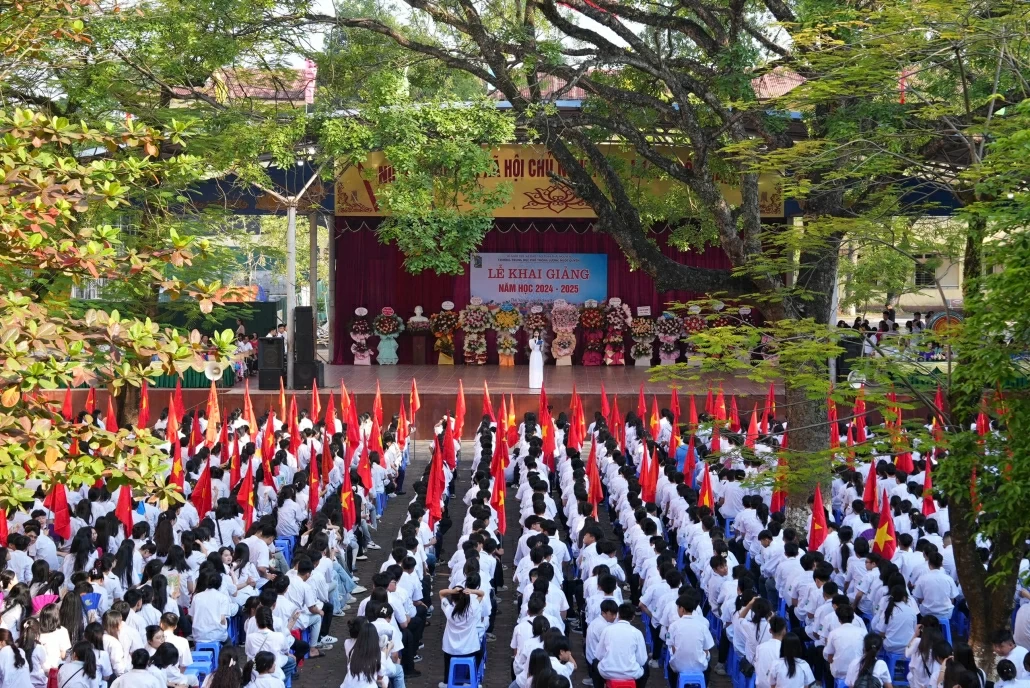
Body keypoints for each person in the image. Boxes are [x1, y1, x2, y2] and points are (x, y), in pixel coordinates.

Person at [439, 586, 486, 687]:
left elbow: (441, 593)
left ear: (453, 599)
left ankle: (446, 681)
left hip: (451, 649)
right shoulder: (472, 610)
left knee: (447, 658)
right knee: (480, 652)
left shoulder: (449, 610)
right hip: (470, 649)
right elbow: (481, 594)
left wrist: (452, 591)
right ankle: (469, 680)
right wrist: (471, 591)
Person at [596, 603, 648, 688]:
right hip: (631, 673)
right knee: (646, 669)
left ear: (618, 615)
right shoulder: (637, 633)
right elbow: (642, 660)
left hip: (608, 672)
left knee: (595, 663)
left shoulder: (607, 630)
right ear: (633, 617)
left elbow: (599, 655)